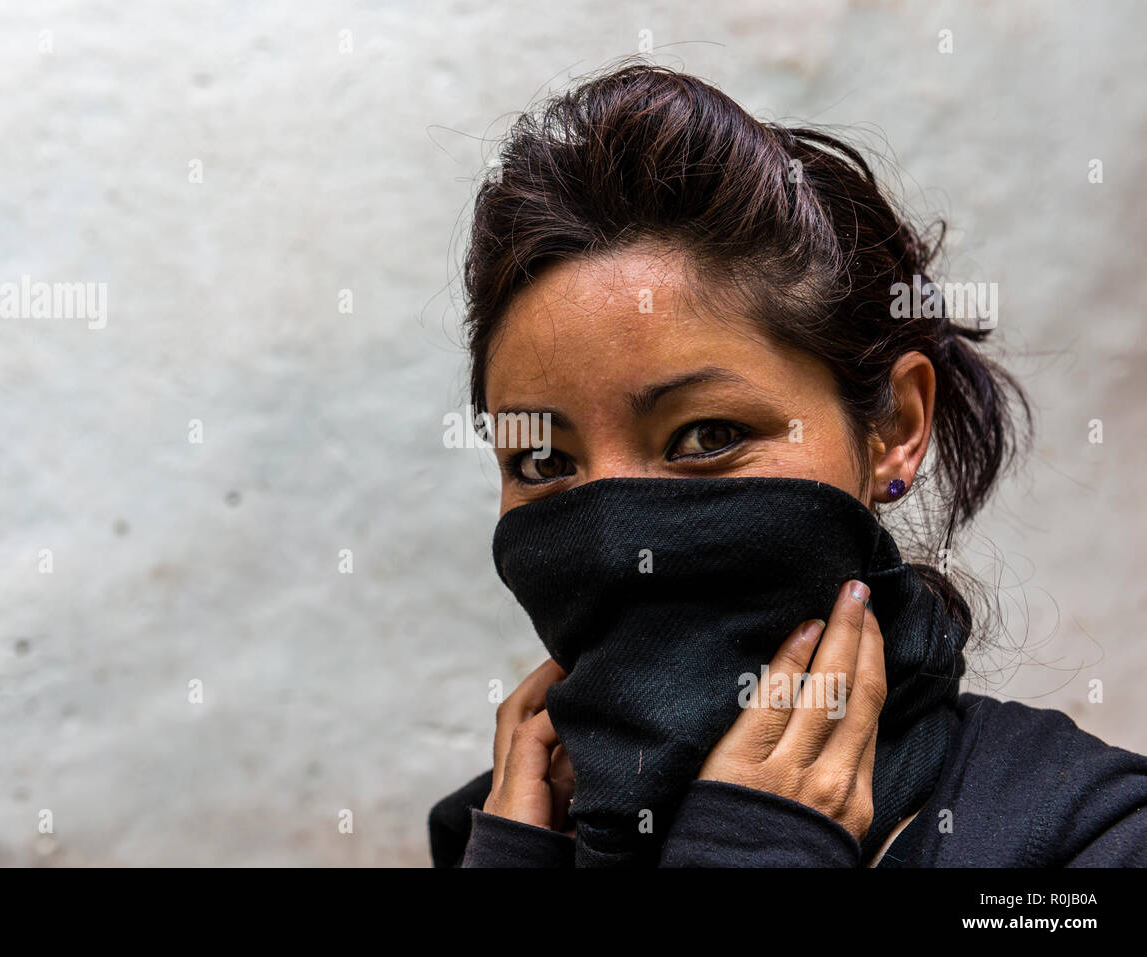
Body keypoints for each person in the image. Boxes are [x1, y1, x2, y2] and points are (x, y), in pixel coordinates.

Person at [428, 60, 1147, 867]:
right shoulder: (502, 833)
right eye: (542, 459)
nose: (608, 538)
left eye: (705, 435)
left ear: (896, 429)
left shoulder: (1090, 840)